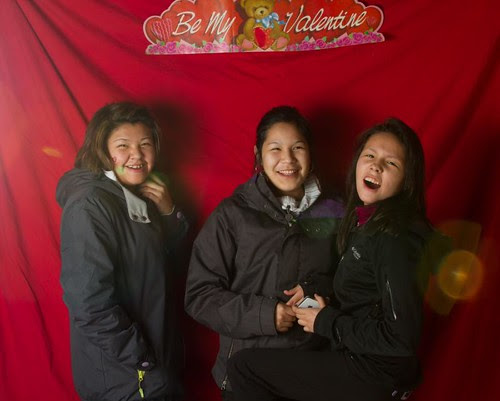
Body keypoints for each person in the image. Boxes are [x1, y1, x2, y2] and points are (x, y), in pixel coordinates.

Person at [227, 117, 440, 401]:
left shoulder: (395, 240)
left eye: (391, 163)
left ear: (406, 180)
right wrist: (315, 287)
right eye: (370, 156)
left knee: (243, 368)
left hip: (375, 371)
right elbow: (361, 284)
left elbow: (401, 338)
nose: (376, 166)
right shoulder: (365, 221)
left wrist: (326, 321)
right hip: (354, 354)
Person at [184, 106, 343, 399]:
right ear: (258, 154)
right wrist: (264, 315)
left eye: (298, 148)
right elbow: (199, 295)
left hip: (311, 374)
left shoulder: (335, 210)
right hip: (247, 377)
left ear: (310, 153)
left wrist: (316, 288)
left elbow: (349, 280)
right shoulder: (232, 214)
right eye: (276, 149)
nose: (288, 159)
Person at [56, 102, 188, 401]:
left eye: (145, 144)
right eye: (123, 145)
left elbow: (169, 269)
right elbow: (90, 303)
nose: (137, 155)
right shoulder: (90, 204)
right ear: (102, 151)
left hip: (157, 369)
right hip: (127, 376)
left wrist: (169, 213)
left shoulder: (136, 198)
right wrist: (141, 358)